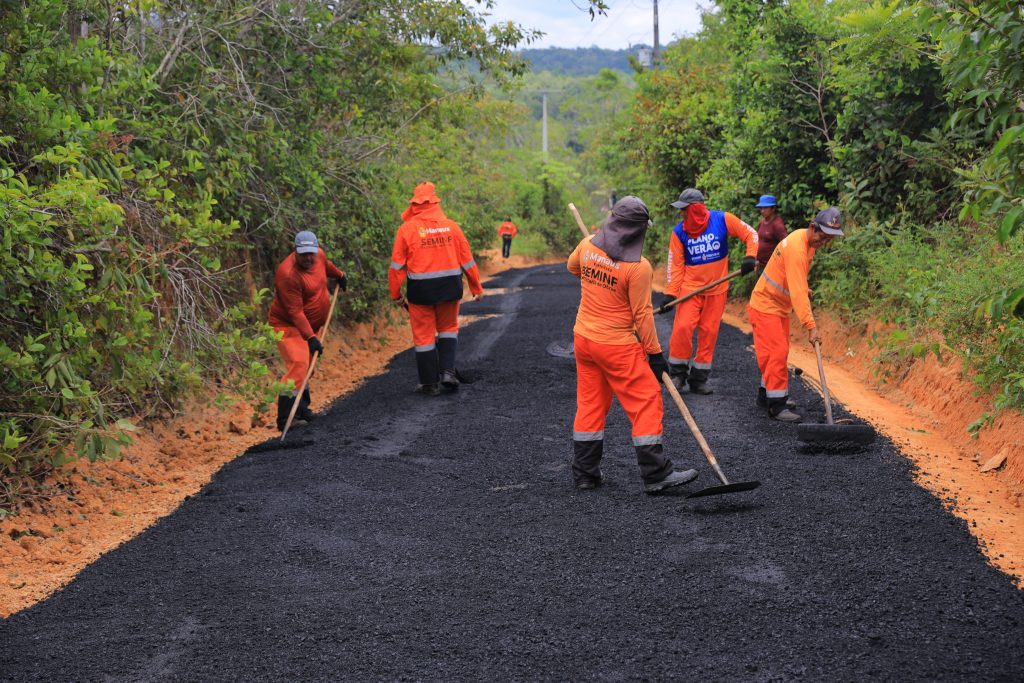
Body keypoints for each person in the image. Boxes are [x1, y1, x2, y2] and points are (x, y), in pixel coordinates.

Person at [567, 196, 699, 494]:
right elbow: (641, 316)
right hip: (615, 345)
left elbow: (573, 268)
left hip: (584, 340)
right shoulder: (638, 267)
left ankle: (585, 473)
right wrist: (655, 354)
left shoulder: (587, 245)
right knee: (647, 398)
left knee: (590, 405)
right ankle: (656, 474)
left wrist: (598, 280)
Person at [748, 207, 844, 422]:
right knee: (777, 354)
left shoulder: (806, 242)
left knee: (775, 354)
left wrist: (803, 287)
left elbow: (794, 277)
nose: (824, 242)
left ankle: (767, 396)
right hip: (766, 306)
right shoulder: (799, 249)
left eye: (830, 239)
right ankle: (777, 406)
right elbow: (798, 293)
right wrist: (811, 327)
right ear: (813, 227)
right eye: (823, 236)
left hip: (776, 306)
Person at [661, 188, 758, 395]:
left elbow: (751, 234)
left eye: (684, 210)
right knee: (682, 328)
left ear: (695, 209)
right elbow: (675, 267)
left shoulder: (722, 220)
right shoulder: (679, 233)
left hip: (717, 290)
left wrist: (750, 257)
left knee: (709, 333)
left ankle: (699, 379)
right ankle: (678, 374)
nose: (682, 214)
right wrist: (671, 293)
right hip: (690, 290)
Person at [389, 181, 483, 395]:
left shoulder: (406, 230)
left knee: (423, 336)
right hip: (450, 288)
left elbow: (397, 267)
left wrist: (395, 294)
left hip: (420, 292)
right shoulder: (452, 227)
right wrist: (476, 287)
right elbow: (467, 260)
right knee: (448, 329)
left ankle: (429, 383)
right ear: (435, 202)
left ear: (415, 204)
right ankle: (448, 373)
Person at [268, 230, 346, 431]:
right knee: (299, 365)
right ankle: (285, 418)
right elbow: (295, 312)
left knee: (308, 367)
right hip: (288, 326)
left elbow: (325, 266)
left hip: (311, 327)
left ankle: (301, 409)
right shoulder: (287, 274)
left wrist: (339, 275)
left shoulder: (318, 255)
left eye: (311, 253)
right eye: (304, 254)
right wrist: (310, 337)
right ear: (295, 251)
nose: (309, 258)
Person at [754, 194, 787, 275]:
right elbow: (759, 241)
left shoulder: (778, 226)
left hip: (772, 268)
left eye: (765, 208)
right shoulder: (762, 222)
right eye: (761, 208)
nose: (762, 211)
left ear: (773, 208)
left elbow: (786, 246)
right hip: (760, 266)